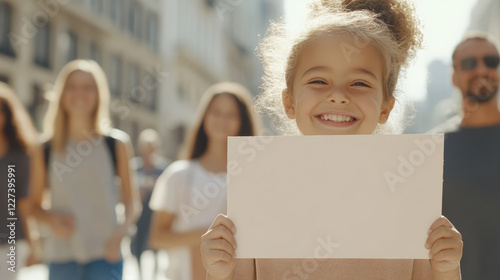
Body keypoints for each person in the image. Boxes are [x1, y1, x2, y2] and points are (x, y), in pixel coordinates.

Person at [200, 0, 463, 279]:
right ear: (289, 102)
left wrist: (446, 268)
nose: (338, 95)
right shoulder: (259, 188)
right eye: (319, 81)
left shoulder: (410, 193)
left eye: (359, 83)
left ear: (385, 107)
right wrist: (219, 271)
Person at [30, 60, 142, 280]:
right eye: (72, 87)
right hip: (62, 257)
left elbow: (132, 202)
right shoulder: (45, 148)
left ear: (99, 94)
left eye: (87, 87)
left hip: (107, 256)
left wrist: (119, 235)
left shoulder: (116, 144)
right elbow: (32, 206)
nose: (79, 93)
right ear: (61, 94)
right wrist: (50, 220)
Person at [148, 82, 261, 280]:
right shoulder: (179, 175)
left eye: (231, 114)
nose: (222, 119)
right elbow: (157, 237)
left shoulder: (255, 177)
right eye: (216, 112)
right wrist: (208, 236)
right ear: (204, 117)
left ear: (242, 120)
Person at [442, 32, 500, 279]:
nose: (481, 69)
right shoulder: (433, 149)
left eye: (490, 61)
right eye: (469, 63)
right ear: (454, 77)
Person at [0, 82, 41, 280]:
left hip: (11, 241)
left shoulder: (20, 156)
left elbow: (23, 201)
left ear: (7, 116)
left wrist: (33, 242)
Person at [130, 128, 170, 279]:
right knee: (138, 245)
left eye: (151, 147)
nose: (149, 150)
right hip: (139, 214)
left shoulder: (163, 169)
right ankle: (140, 275)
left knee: (156, 246)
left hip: (156, 214)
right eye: (146, 147)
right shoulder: (135, 167)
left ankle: (154, 275)